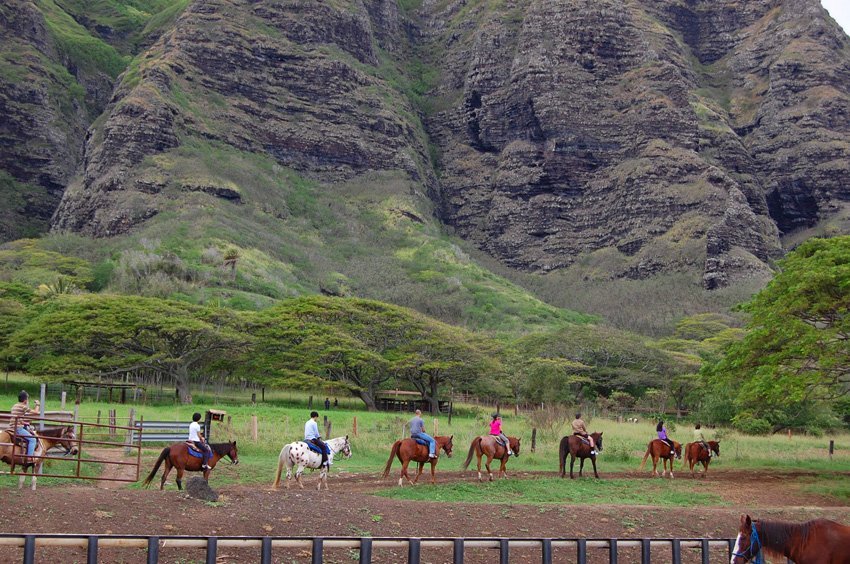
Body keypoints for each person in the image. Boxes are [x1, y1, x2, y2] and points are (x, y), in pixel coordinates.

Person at [9, 391, 39, 464]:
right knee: (33, 439)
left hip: (12, 426)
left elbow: (17, 418)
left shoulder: (15, 406)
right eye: (28, 399)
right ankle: (29, 458)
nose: (28, 400)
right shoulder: (23, 406)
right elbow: (36, 412)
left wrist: (25, 423)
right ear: (25, 400)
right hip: (18, 428)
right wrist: (38, 404)